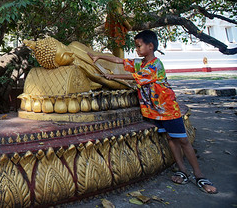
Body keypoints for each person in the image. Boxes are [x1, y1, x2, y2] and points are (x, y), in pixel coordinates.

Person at [88, 30, 217, 194]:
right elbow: (119, 60)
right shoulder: (140, 63)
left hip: (168, 110)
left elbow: (136, 77)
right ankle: (182, 170)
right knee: (171, 139)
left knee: (183, 141)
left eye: (139, 45)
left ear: (150, 46)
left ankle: (199, 176)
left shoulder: (155, 65)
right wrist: (98, 57)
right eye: (136, 46)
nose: (136, 49)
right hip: (155, 112)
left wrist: (112, 77)